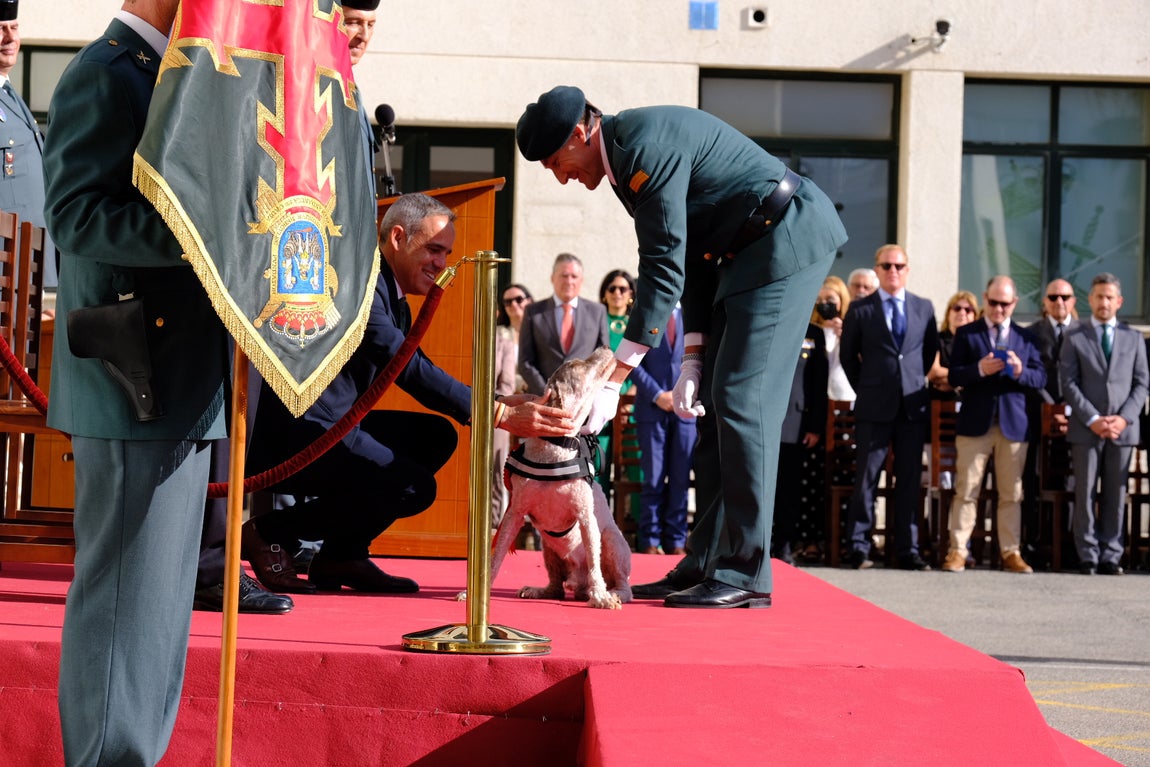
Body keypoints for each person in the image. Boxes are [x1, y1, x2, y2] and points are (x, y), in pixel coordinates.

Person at [516, 85, 847, 608]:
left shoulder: (642, 146)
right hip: (741, 256)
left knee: (742, 400)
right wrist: (693, 354)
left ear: (581, 132)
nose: (563, 177)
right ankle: (706, 563)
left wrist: (617, 377)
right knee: (718, 401)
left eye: (558, 162)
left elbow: (664, 265)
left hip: (785, 239)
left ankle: (746, 573)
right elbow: (690, 261)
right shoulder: (625, 161)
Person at [42, 1, 230, 763]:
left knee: (155, 614)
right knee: (126, 608)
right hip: (133, 376)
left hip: (179, 376)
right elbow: (77, 215)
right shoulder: (106, 73)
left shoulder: (174, 74)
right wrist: (205, 235)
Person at [243, 193, 575, 593]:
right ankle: (270, 532)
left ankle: (342, 557)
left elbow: (415, 363)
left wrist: (496, 403)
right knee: (412, 485)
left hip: (337, 422)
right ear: (397, 238)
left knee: (434, 437)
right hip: (299, 434)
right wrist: (496, 415)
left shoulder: (392, 293)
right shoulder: (358, 286)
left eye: (448, 253)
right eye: (434, 249)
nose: (442, 263)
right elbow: (405, 363)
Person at [192, 0, 381, 614]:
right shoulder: (288, 75)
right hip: (257, 284)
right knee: (224, 432)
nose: (357, 34)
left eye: (369, 25)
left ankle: (233, 557)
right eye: (349, 19)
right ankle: (211, 568)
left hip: (309, 297)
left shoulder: (346, 93)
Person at [840, 244, 938, 571]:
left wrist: (910, 381)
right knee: (867, 478)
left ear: (907, 270)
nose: (893, 270)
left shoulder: (924, 308)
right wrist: (867, 389)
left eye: (898, 265)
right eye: (886, 265)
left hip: (912, 407)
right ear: (877, 269)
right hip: (874, 407)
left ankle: (907, 549)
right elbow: (847, 357)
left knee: (909, 480)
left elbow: (927, 355)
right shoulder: (861, 308)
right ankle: (858, 545)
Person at [940, 276, 1045, 574]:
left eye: (1005, 303)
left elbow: (1040, 379)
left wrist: (1020, 371)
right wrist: (979, 369)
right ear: (985, 298)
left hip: (1013, 425)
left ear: (1014, 304)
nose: (999, 309)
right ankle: (958, 550)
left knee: (1012, 493)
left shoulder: (1026, 339)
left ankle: (1010, 552)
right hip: (975, 423)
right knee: (967, 489)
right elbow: (954, 376)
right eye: (994, 302)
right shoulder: (967, 334)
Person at [1060, 272, 1149, 576]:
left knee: (1116, 493)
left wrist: (1123, 418)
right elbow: (1068, 383)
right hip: (1087, 428)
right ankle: (1087, 554)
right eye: (1099, 296)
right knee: (1085, 492)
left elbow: (1141, 384)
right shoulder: (1075, 336)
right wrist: (1095, 419)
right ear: (1090, 299)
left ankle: (1111, 553)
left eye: (1110, 297)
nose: (1104, 302)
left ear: (1119, 301)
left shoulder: (1134, 338)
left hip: (1122, 429)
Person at [628, 301, 697, 556]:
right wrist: (657, 395)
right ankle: (649, 540)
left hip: (686, 409)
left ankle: (676, 540)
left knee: (680, 478)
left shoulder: (693, 312)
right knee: (653, 479)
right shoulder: (646, 311)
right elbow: (631, 361)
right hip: (651, 407)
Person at [0, 0, 53, 287]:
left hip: (27, 272)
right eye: (0, 29)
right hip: (6, 277)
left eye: (14, 27)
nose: (10, 38)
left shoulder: (11, 97)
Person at [771, 322, 828, 565]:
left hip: (796, 420)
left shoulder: (813, 332)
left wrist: (815, 425)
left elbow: (818, 380)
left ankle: (784, 544)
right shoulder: (770, 320)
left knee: (788, 487)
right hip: (765, 415)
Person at [518, 252, 610, 396]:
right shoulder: (533, 312)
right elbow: (525, 362)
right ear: (552, 278)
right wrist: (547, 393)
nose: (569, 281)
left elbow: (602, 358)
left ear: (582, 280)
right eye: (564, 275)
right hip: (543, 400)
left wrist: (587, 390)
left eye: (574, 276)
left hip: (584, 400)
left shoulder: (597, 312)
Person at [490, 283, 533, 527]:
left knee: (500, 469)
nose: (513, 306)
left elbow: (507, 385)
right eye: (508, 302)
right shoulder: (496, 336)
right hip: (472, 407)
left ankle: (498, 523)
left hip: (507, 408)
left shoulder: (508, 342)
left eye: (519, 299)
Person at [927, 290, 980, 400]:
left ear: (975, 316)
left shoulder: (979, 343)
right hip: (940, 406)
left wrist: (953, 382)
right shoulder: (936, 339)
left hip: (971, 405)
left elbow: (983, 376)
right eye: (957, 308)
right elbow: (934, 372)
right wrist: (968, 377)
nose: (962, 313)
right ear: (948, 313)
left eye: (968, 310)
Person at [812, 274, 855, 402]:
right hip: (817, 393)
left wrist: (845, 334)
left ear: (841, 300)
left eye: (830, 299)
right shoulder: (814, 330)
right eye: (819, 299)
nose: (824, 304)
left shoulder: (851, 327)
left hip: (843, 395)